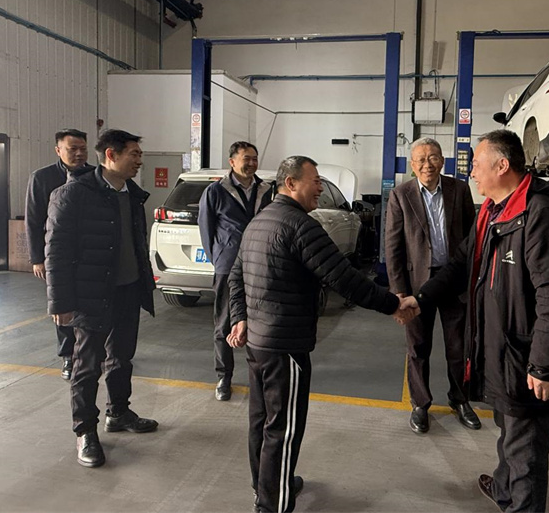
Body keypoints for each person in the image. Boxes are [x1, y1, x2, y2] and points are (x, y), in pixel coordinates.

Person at [407, 130, 549, 512]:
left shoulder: (540, 216)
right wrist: (420, 299)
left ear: (502, 166)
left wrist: (544, 365)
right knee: (509, 431)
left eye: (476, 164)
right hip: (501, 351)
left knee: (526, 449)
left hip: (527, 358)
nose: (471, 172)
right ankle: (504, 488)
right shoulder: (492, 211)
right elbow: (460, 264)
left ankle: (520, 503)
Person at [227, 155, 418, 513]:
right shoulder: (301, 226)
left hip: (259, 345)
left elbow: (235, 276)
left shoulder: (259, 221)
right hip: (285, 345)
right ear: (290, 184)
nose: (319, 187)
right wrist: (393, 304)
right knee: (283, 428)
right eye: (314, 180)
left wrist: (240, 317)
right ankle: (272, 504)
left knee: (261, 421)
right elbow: (343, 278)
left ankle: (268, 484)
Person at [46, 129, 158, 468]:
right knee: (87, 366)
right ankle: (85, 431)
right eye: (134, 154)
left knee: (122, 358)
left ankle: (119, 412)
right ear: (111, 155)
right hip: (91, 294)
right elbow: (56, 251)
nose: (139, 161)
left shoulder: (132, 194)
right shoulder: (73, 194)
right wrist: (60, 303)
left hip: (128, 290)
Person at [385, 137, 479, 434]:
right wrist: (399, 291)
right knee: (418, 346)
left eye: (433, 157)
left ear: (443, 161)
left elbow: (472, 238)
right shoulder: (401, 195)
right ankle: (420, 404)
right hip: (417, 284)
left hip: (453, 280)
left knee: (458, 345)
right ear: (412, 165)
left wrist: (472, 278)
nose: (428, 164)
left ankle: (460, 399)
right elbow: (393, 246)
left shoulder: (459, 189)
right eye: (421, 160)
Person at [199, 141, 274, 402]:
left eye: (254, 158)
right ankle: (224, 377)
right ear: (232, 162)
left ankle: (259, 374)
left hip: (260, 265)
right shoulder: (215, 191)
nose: (251, 163)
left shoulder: (267, 190)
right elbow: (206, 230)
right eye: (246, 158)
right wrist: (220, 258)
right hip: (228, 266)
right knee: (224, 322)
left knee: (260, 322)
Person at [25, 128, 92, 381]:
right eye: (72, 149)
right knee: (63, 304)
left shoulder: (96, 175)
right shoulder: (42, 178)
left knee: (92, 305)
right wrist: (37, 259)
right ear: (58, 150)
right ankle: (68, 356)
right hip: (58, 255)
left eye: (83, 149)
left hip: (89, 253)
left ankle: (92, 352)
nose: (79, 153)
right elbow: (33, 220)